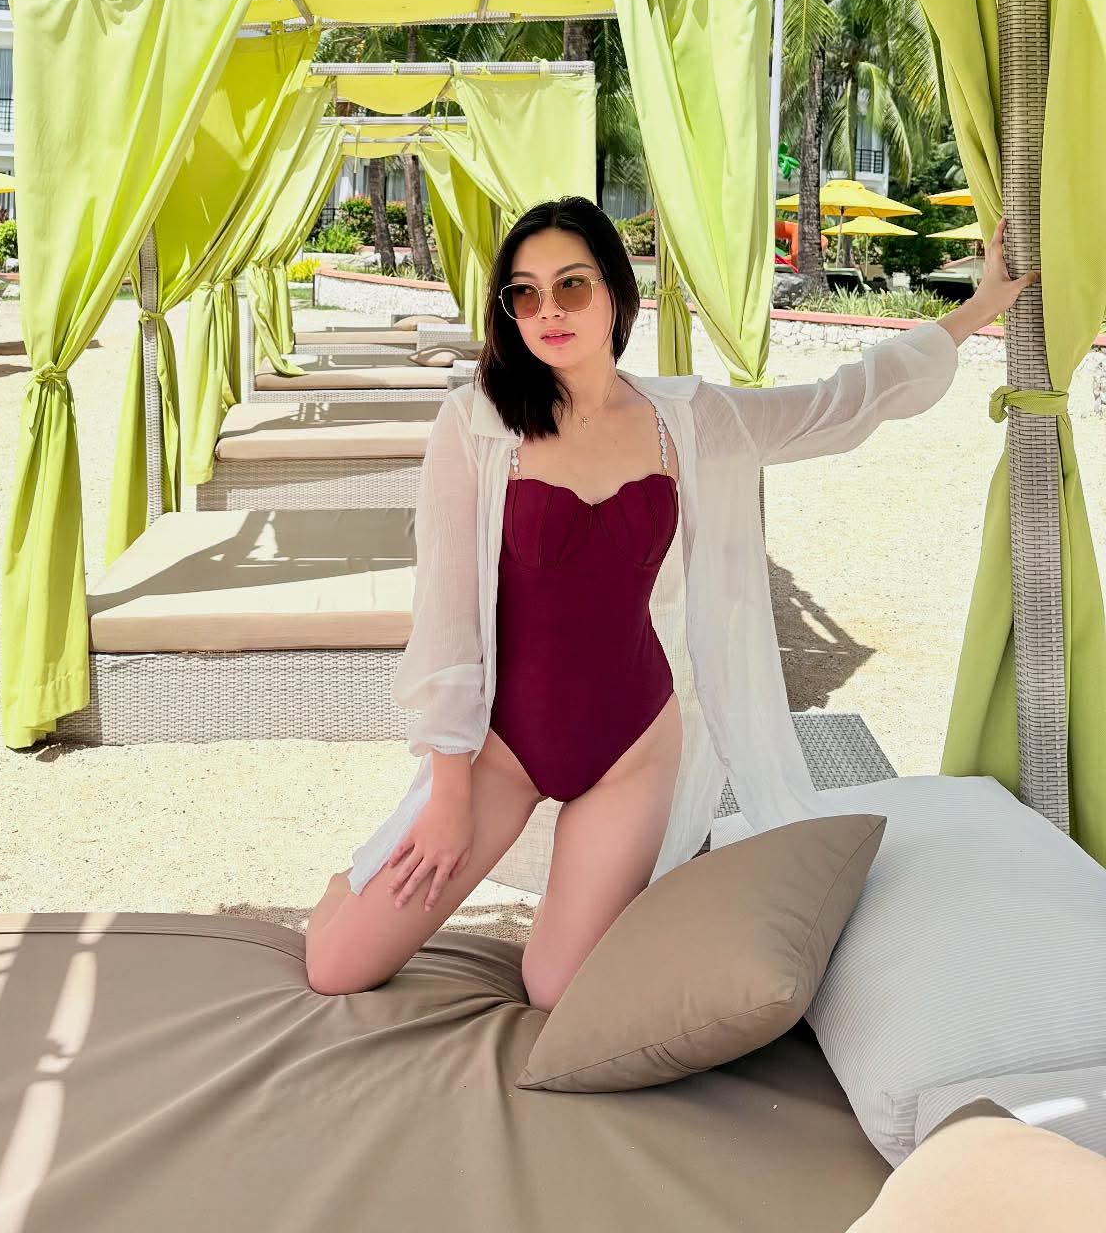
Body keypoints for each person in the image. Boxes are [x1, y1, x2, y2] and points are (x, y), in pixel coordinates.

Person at [305, 197, 1037, 1008]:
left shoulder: (685, 421)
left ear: (617, 292)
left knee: (555, 989)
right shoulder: (477, 425)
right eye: (524, 293)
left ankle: (604, 892)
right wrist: (447, 795)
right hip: (500, 747)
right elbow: (447, 623)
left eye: (572, 286)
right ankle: (354, 885)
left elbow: (836, 403)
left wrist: (977, 309)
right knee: (336, 965)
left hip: (632, 747)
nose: (549, 311)